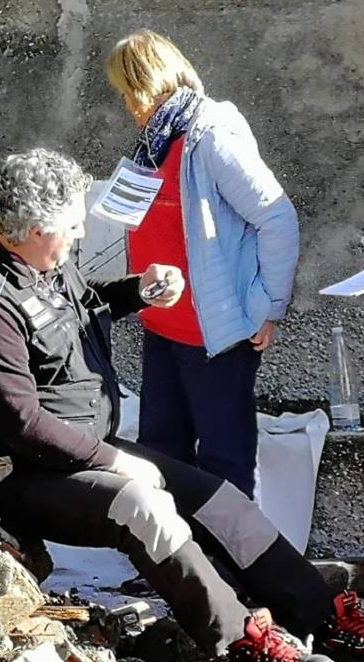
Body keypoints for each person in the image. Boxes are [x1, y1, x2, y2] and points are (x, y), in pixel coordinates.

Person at [0, 148, 364, 662]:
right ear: (34, 230)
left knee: (222, 500)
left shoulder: (42, 262)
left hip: (83, 448)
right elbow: (22, 425)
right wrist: (115, 461)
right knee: (145, 507)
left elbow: (81, 304)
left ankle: (322, 616)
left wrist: (137, 291)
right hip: (17, 473)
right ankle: (243, 642)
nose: (79, 235)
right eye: (72, 226)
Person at [106, 29, 300, 498]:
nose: (127, 105)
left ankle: (230, 550)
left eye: (129, 91)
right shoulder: (155, 139)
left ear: (150, 83)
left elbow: (277, 218)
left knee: (224, 463)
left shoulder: (210, 136)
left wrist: (269, 307)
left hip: (216, 334)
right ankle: (175, 549)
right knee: (160, 457)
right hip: (162, 325)